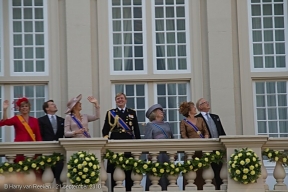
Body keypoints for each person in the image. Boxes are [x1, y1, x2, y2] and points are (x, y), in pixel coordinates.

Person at [102, 92, 141, 192]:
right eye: (118, 98)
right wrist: (107, 140)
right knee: (115, 168)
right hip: (115, 140)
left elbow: (136, 129)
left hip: (128, 141)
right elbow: (105, 129)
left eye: (122, 98)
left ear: (125, 100)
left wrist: (138, 142)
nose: (120, 100)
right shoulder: (111, 113)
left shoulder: (132, 112)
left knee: (128, 169)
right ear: (115, 101)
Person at [195, 98, 226, 190]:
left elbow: (221, 131)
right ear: (200, 107)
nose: (207, 103)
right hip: (206, 148)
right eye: (204, 103)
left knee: (219, 170)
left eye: (207, 102)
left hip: (218, 148)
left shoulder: (215, 117)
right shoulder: (197, 118)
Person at [179, 101, 210, 190]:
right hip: (191, 151)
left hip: (202, 149)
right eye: (193, 107)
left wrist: (206, 140)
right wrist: (190, 145)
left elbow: (206, 132)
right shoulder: (183, 122)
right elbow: (183, 135)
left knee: (203, 172)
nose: (195, 109)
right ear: (189, 110)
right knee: (192, 174)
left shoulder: (200, 120)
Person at [144, 104, 174, 191]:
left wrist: (174, 151)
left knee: (169, 175)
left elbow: (172, 138)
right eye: (159, 110)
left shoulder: (167, 124)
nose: (162, 112)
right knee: (156, 176)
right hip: (156, 155)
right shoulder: (150, 125)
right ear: (153, 113)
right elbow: (147, 140)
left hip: (167, 153)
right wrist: (148, 153)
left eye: (162, 110)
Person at [38, 100, 65, 185]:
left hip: (59, 151)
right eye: (52, 104)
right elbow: (40, 135)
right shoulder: (41, 120)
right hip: (46, 150)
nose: (55, 105)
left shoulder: (61, 120)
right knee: (46, 177)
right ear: (47, 108)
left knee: (59, 175)